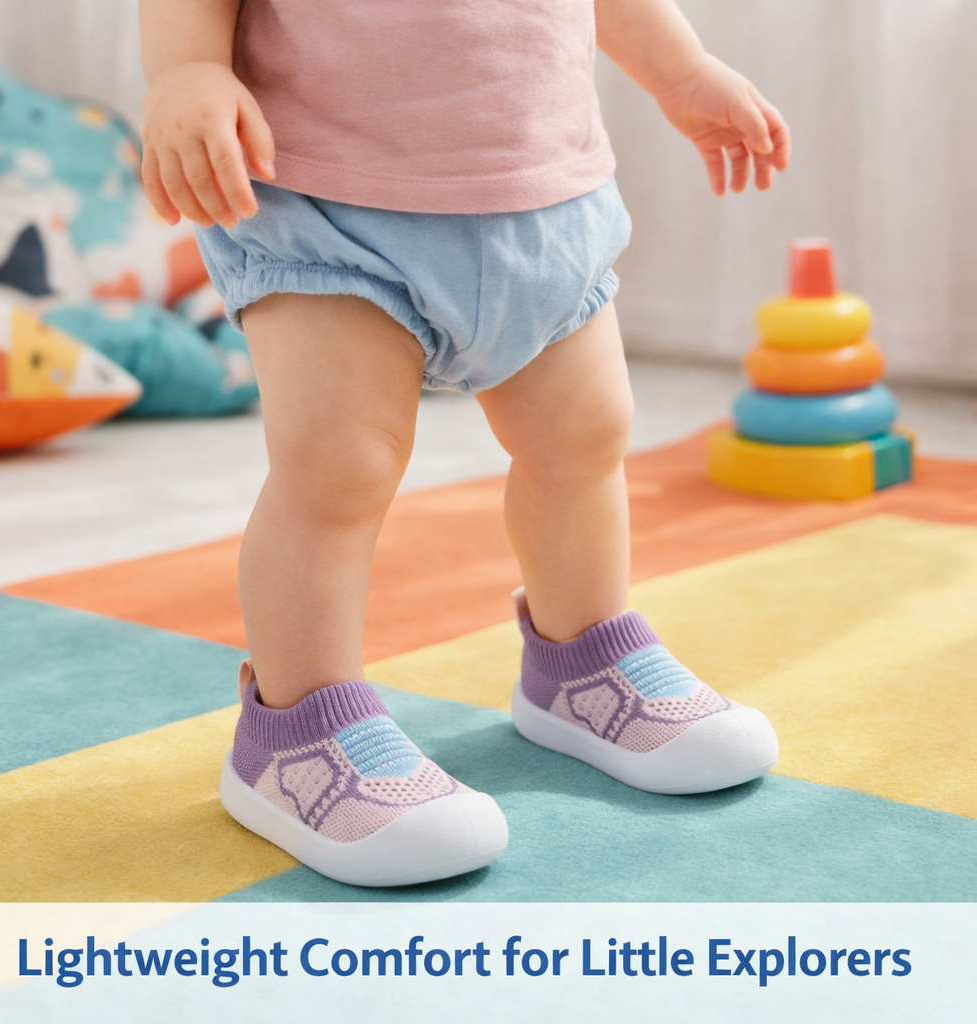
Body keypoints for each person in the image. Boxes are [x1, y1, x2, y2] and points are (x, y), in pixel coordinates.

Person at [138, 0, 790, 888]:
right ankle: (296, 733)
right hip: (328, 202)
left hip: (541, 197)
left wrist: (682, 69)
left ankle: (582, 659)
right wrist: (184, 70)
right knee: (339, 467)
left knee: (585, 437)